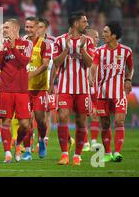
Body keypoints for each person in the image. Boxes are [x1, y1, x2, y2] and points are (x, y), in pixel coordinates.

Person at [51, 11, 94, 166]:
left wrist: (81, 50)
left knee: (81, 122)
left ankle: (77, 156)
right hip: (64, 87)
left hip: (82, 89)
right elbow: (56, 63)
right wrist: (66, 50)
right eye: (84, 22)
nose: (86, 24)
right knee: (62, 117)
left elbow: (90, 63)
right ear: (76, 23)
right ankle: (64, 155)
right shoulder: (59, 40)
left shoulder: (88, 41)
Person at [89, 22, 133, 162]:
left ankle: (117, 152)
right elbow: (93, 67)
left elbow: (130, 68)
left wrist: (128, 79)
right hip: (103, 94)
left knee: (119, 122)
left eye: (106, 32)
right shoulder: (99, 51)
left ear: (114, 35)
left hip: (119, 93)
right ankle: (107, 153)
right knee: (106, 123)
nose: (103, 34)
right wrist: (91, 78)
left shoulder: (126, 51)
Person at [0, 19, 33, 163]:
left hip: (21, 91)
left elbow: (24, 62)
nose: (4, 30)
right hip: (6, 91)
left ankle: (17, 143)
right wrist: (3, 50)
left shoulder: (27, 43)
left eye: (7, 27)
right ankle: (7, 153)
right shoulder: (0, 44)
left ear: (15, 28)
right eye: (3, 27)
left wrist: (14, 47)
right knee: (6, 122)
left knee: (25, 124)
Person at [21, 17, 51, 161]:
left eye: (31, 27)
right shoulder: (21, 43)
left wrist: (31, 74)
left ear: (37, 28)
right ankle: (27, 151)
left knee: (40, 120)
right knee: (26, 121)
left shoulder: (44, 44)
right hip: (24, 89)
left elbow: (45, 64)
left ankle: (42, 139)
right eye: (26, 27)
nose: (29, 30)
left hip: (39, 88)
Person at [37, 17, 57, 151]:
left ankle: (44, 140)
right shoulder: (27, 40)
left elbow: (56, 63)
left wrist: (52, 82)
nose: (37, 29)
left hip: (48, 79)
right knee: (34, 113)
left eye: (41, 27)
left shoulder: (53, 41)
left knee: (47, 112)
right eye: (36, 26)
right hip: (34, 80)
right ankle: (33, 141)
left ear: (46, 28)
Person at [83, 28, 101, 152]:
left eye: (98, 37)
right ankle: (85, 142)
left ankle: (93, 142)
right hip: (84, 89)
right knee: (83, 116)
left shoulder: (100, 52)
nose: (97, 39)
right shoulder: (82, 51)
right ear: (88, 37)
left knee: (95, 115)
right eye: (95, 36)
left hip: (96, 90)